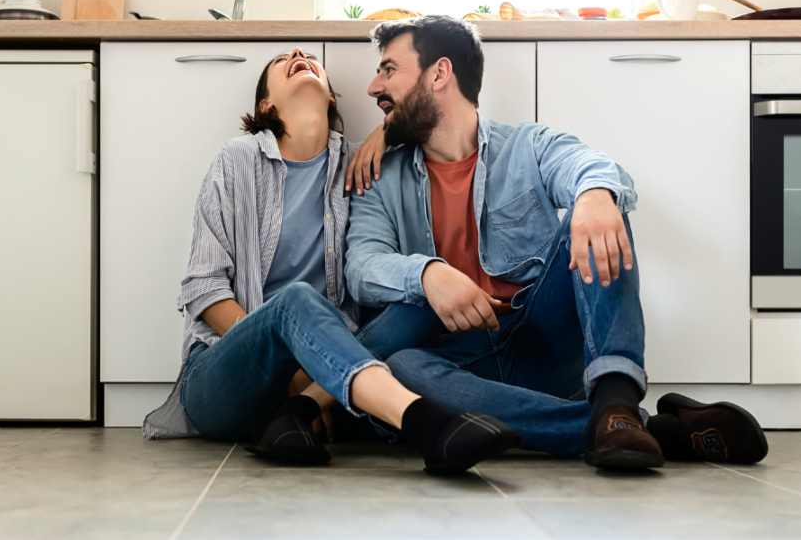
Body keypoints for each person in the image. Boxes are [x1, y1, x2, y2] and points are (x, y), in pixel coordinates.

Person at [339, 15, 769, 469]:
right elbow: (361, 266)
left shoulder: (527, 145)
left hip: (543, 342)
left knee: (598, 207)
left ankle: (617, 393)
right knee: (403, 367)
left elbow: (590, 165)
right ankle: (624, 424)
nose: (372, 86)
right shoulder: (382, 178)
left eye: (389, 69)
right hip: (462, 363)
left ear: (439, 74)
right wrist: (426, 273)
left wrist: (595, 196)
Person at [142, 47, 522, 475]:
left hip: (329, 375)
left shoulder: (362, 166)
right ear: (266, 104)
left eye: (308, 59)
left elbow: (439, 122)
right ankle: (427, 425)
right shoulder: (238, 159)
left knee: (419, 298)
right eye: (283, 60)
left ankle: (292, 420)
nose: (300, 54)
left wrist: (387, 132)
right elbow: (204, 289)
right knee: (297, 301)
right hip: (225, 378)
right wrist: (297, 376)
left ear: (332, 98)